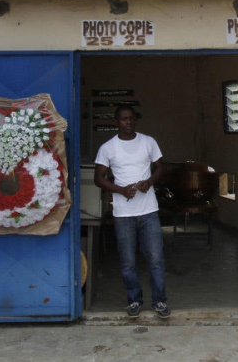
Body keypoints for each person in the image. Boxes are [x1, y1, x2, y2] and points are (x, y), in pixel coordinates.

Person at [94, 104, 170, 319]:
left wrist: (149, 182)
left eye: (131, 118)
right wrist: (120, 190)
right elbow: (98, 178)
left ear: (136, 120)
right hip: (123, 214)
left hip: (149, 211)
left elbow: (161, 168)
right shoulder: (108, 147)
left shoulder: (148, 142)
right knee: (127, 262)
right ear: (116, 122)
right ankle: (134, 300)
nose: (128, 122)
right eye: (123, 119)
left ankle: (160, 302)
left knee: (155, 259)